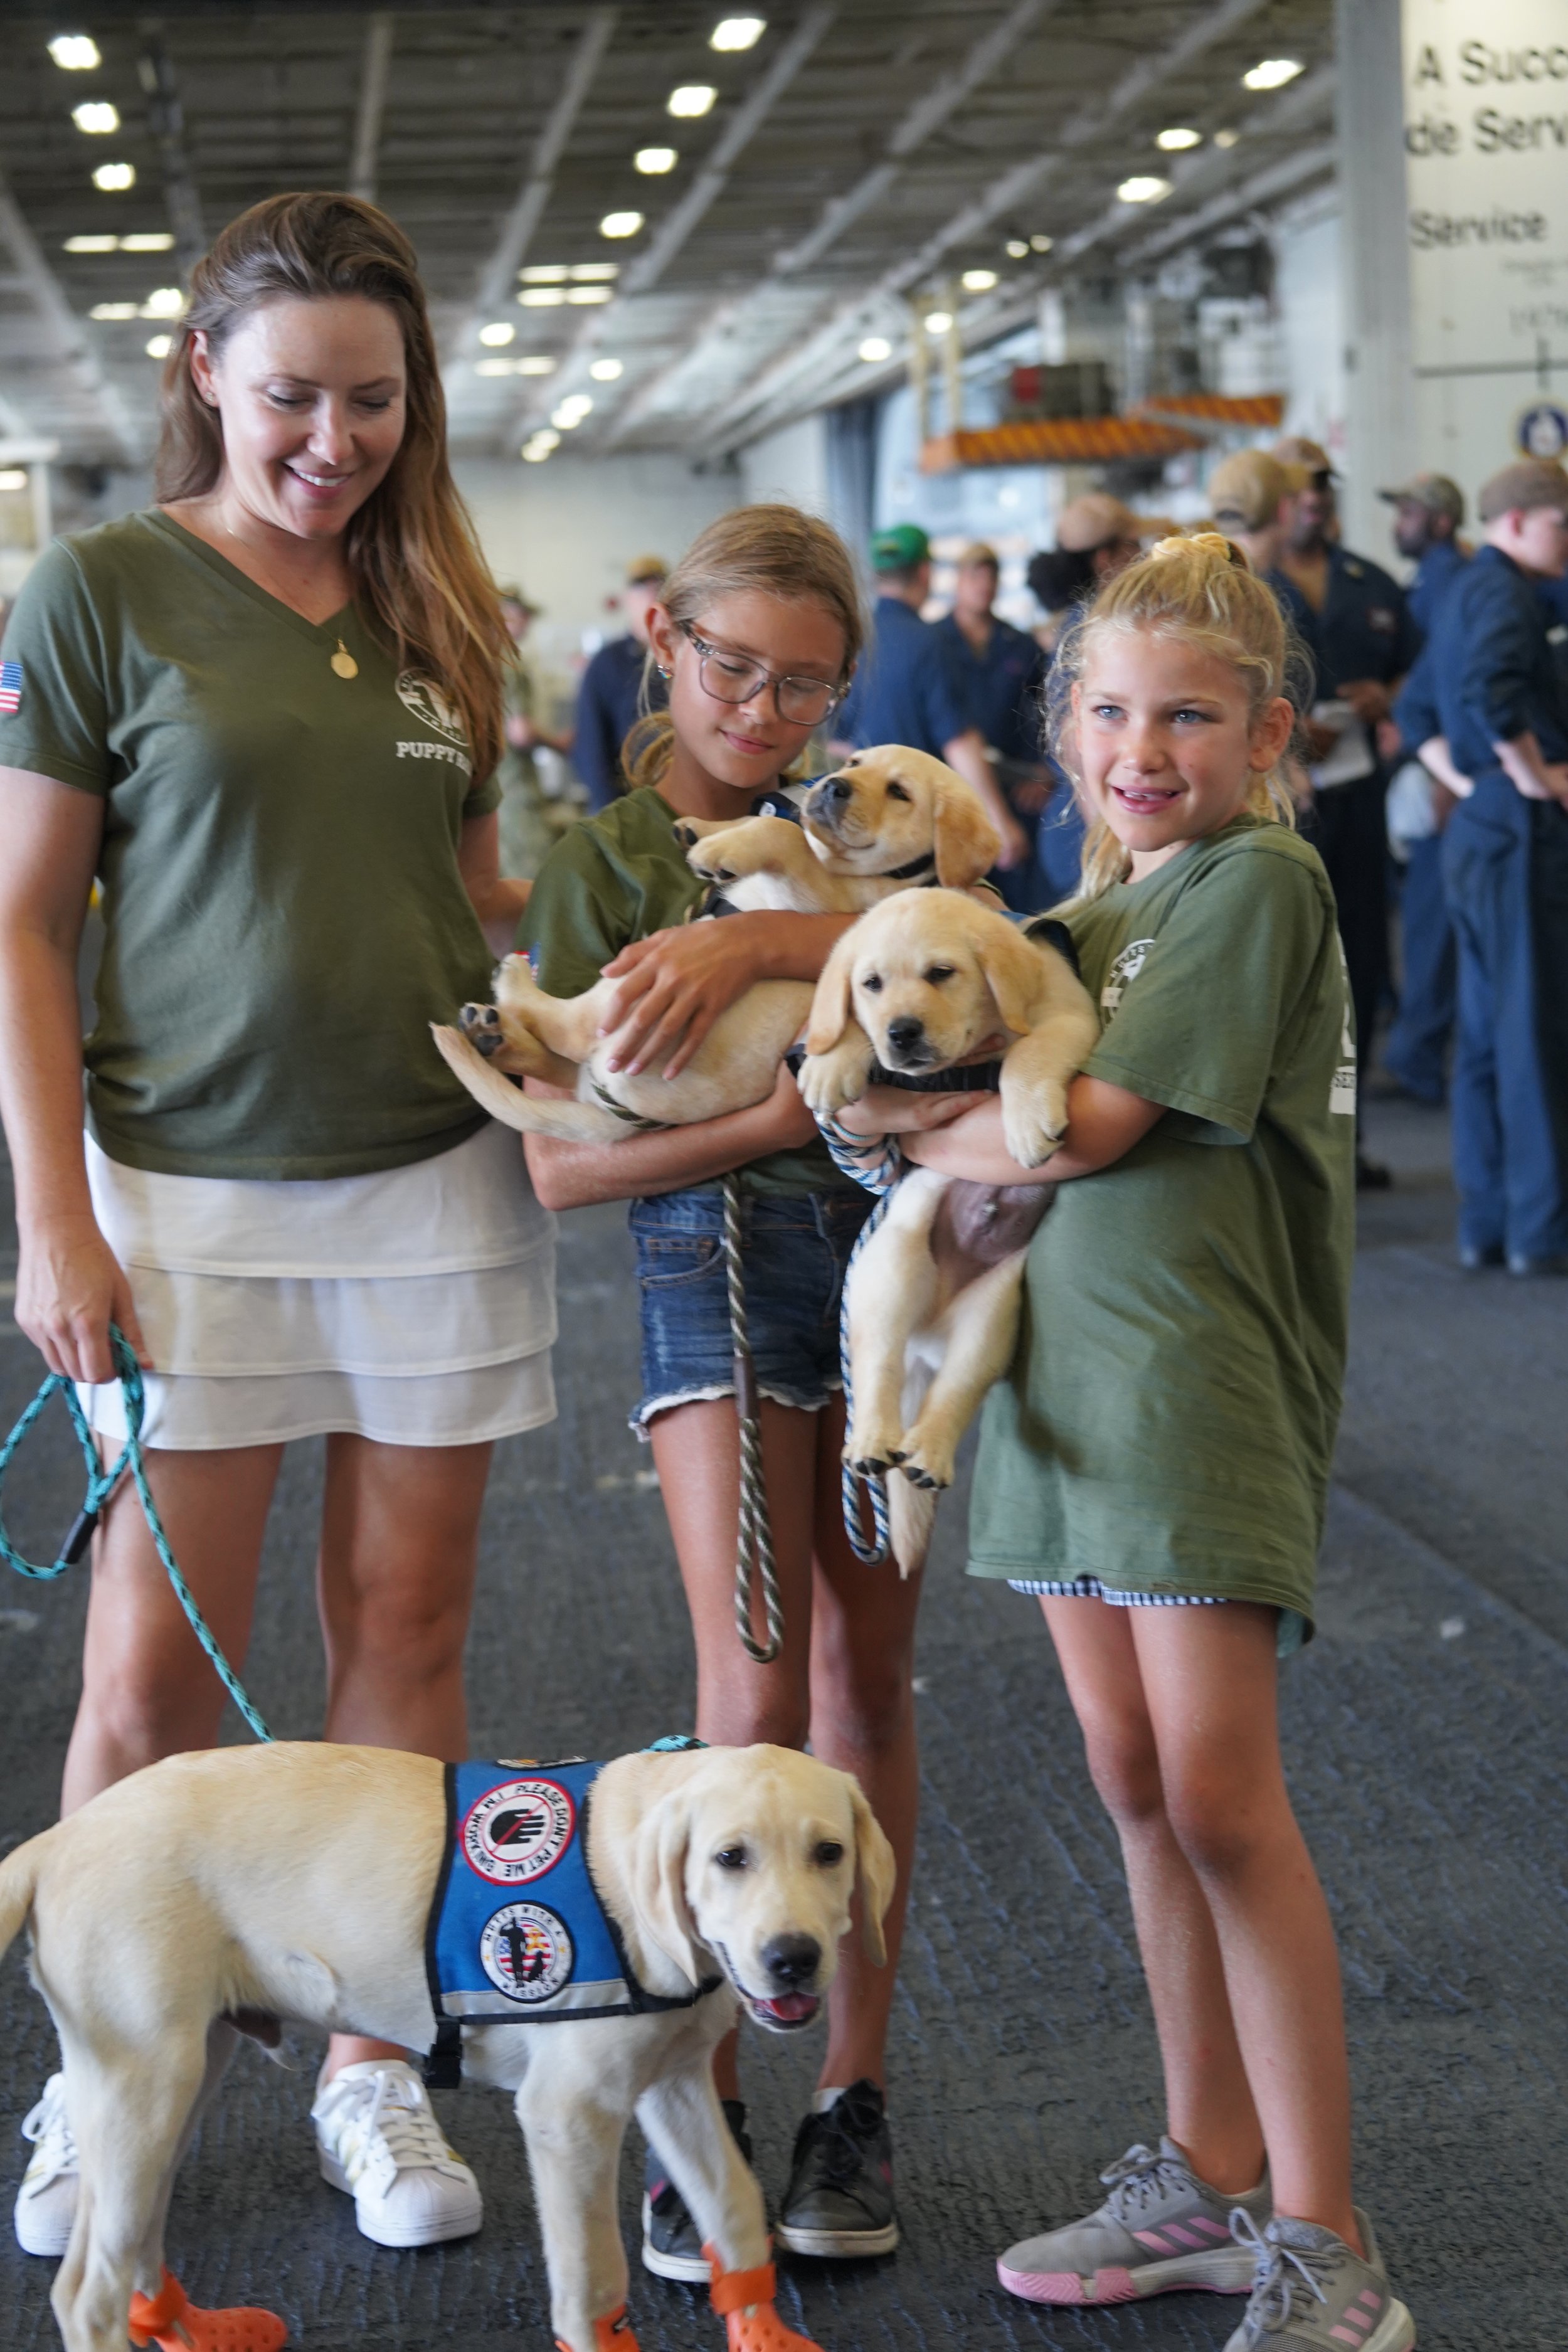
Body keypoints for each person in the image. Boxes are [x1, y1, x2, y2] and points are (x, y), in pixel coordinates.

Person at [0, 193, 556, 2259]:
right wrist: (54, 1226)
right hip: (182, 1201)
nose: (336, 435)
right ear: (206, 379)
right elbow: (21, 924)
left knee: (400, 1646)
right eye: (297, 394)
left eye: (376, 399)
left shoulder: (450, 616)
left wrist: (700, 888)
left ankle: (371, 2071)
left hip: (436, 1179)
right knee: (146, 1687)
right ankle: (94, 2088)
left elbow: (486, 899)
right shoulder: (107, 586)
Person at [830, 532, 1414, 2352]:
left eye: (1185, 714)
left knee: (1223, 1799)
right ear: (1059, 730)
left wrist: (897, 1130)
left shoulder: (1251, 883)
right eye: (1104, 708)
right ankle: (1208, 2169)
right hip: (1059, 1404)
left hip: (1194, 1397)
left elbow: (1068, 1127)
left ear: (1269, 735)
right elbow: (908, 1056)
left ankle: (1329, 2239)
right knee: (1136, 1785)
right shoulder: (1079, 919)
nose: (1138, 742)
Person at [519, 506, 921, 2274]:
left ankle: (852, 2091)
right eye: (732, 665)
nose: (765, 707)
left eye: (806, 679)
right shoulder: (602, 856)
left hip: (898, 1258)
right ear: (661, 643)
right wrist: (779, 1111)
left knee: (868, 1675)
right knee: (750, 1685)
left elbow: (956, 991)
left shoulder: (881, 817)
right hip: (710, 1267)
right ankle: (710, 2109)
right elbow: (558, 1169)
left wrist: (762, 949)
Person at [1428, 458, 1568, 1276]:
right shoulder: (1507, 595)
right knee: (1531, 1028)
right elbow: (1491, 691)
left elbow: (1419, 715)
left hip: (1481, 824)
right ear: (1516, 523)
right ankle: (1542, 1229)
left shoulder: (1464, 591)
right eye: (1560, 525)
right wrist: (1533, 776)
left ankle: (1487, 1219)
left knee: (1485, 1033)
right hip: (1515, 827)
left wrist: (1479, 781)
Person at [1273, 435, 1421, 1190]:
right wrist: (1291, 731)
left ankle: (1347, 1142)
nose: (1313, 500)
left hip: (1358, 803)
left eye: (1322, 488)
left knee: (1358, 971)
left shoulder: (1368, 581)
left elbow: (1415, 668)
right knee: (1285, 978)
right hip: (1275, 809)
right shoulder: (1250, 583)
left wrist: (1383, 698)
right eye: (1299, 489)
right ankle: (1289, 1157)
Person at [832, 522, 1029, 872]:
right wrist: (1000, 823)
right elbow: (960, 742)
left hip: (856, 824)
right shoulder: (928, 642)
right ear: (925, 573)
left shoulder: (851, 638)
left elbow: (838, 743)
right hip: (914, 829)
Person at [1377, 477, 1469, 1106]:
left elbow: (1453, 683)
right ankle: (1416, 1049)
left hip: (1448, 774)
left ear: (1438, 521)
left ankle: (1417, 1054)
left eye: (1408, 513)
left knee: (1433, 919)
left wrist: (1445, 772)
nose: (1398, 523)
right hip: (1437, 765)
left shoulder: (1447, 579)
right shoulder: (1428, 579)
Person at [1025, 493, 1152, 900]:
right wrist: (1115, 855)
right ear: (1105, 558)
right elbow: (1076, 747)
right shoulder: (1090, 632)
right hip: (1089, 839)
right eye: (1134, 544)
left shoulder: (1098, 622)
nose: (1143, 554)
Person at [933, 539, 1051, 909]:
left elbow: (1049, 709)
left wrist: (1045, 769)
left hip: (1013, 789)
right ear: (957, 581)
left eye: (992, 576)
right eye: (975, 575)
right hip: (951, 789)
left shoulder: (1019, 644)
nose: (984, 584)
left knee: (1017, 898)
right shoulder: (933, 644)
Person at [572, 553, 669, 810]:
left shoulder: (685, 656)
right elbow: (591, 746)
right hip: (628, 801)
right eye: (641, 588)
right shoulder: (606, 663)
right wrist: (611, 814)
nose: (651, 594)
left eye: (659, 586)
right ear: (627, 599)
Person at [495, 585, 575, 880]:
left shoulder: (478, 658)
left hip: (492, 784)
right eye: (521, 615)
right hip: (515, 785)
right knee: (532, 875)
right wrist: (560, 744)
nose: (527, 622)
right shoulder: (509, 661)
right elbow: (521, 732)